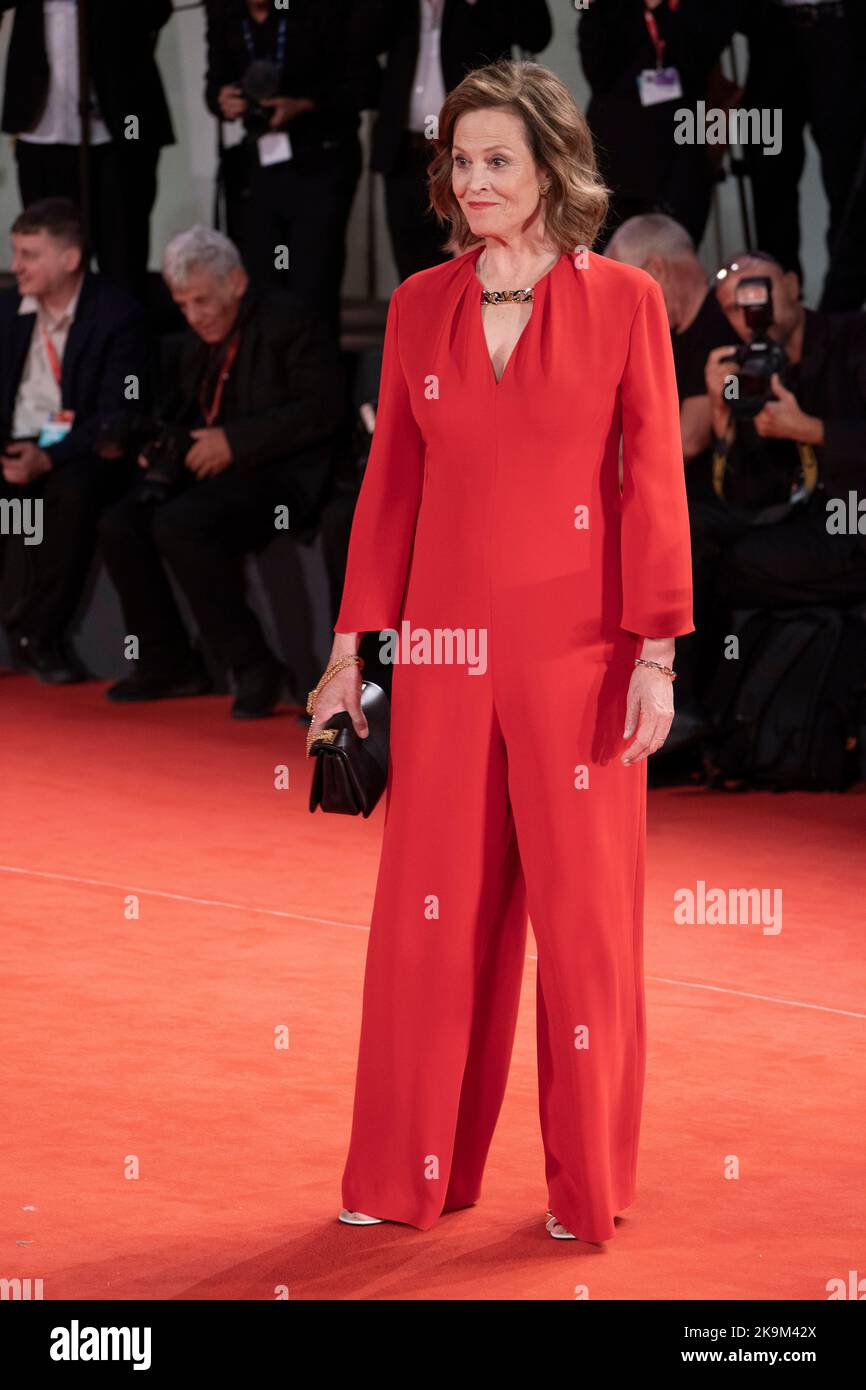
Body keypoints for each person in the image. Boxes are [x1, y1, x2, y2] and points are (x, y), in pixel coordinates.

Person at [310, 58, 694, 1243]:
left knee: (582, 926)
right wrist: (347, 648)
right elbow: (389, 488)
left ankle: (587, 1185)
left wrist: (654, 654)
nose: (471, 181)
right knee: (427, 919)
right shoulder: (422, 303)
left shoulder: (624, 301)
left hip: (578, 653)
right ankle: (404, 1175)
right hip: (436, 655)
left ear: (548, 171)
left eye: (495, 162)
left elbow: (647, 488)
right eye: (459, 160)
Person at [97, 226, 345, 720]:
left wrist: (234, 443)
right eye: (183, 304)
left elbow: (323, 410)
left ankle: (254, 667)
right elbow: (194, 412)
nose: (195, 316)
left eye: (203, 301)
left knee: (180, 523)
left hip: (285, 474)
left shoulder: (288, 320)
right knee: (120, 522)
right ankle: (168, 662)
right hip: (221, 471)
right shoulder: (199, 339)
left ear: (236, 281)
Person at [0, 198, 148, 683]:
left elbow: (116, 413)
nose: (16, 266)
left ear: (69, 258)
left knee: (75, 491)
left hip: (79, 447)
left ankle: (37, 635)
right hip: (14, 439)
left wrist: (47, 456)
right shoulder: (9, 311)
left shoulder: (115, 313)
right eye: (16, 252)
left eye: (29, 254)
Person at [204, 0, 379, 336]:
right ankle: (269, 381)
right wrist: (222, 100)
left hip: (321, 157)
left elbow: (363, 84)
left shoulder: (320, 12)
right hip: (260, 164)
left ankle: (316, 381)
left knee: (313, 284)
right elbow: (215, 82)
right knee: (262, 281)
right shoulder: (224, 13)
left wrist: (305, 105)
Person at [0, 0, 175, 303]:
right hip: (42, 126)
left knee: (122, 254)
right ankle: (57, 344)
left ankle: (119, 342)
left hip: (122, 126)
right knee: (50, 251)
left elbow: (156, 10)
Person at [368, 0, 552, 281]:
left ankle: (475, 324)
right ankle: (420, 325)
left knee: (472, 258)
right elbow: (359, 40)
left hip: (472, 152)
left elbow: (537, 34)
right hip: (405, 150)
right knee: (411, 264)